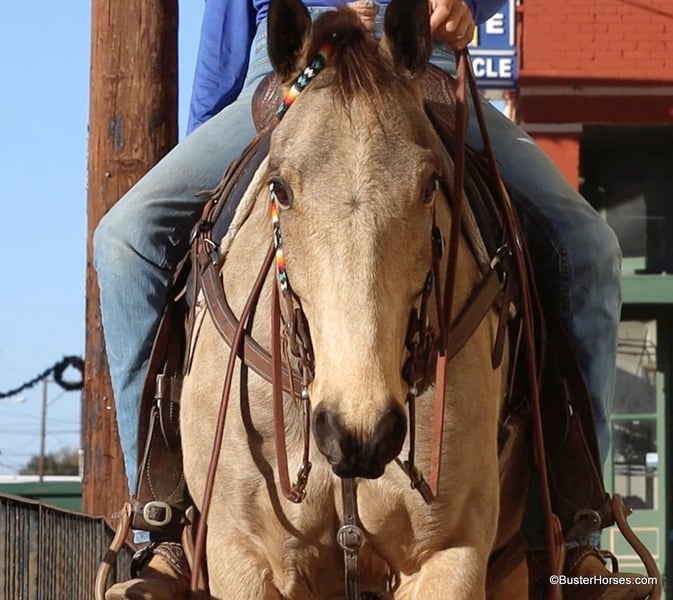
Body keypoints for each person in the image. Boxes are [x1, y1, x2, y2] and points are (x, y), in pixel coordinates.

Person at [94, 1, 648, 598]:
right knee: (125, 238)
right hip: (290, 71)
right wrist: (205, 139)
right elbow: (225, 24)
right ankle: (161, 526)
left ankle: (576, 536)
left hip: (416, 63)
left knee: (588, 250)